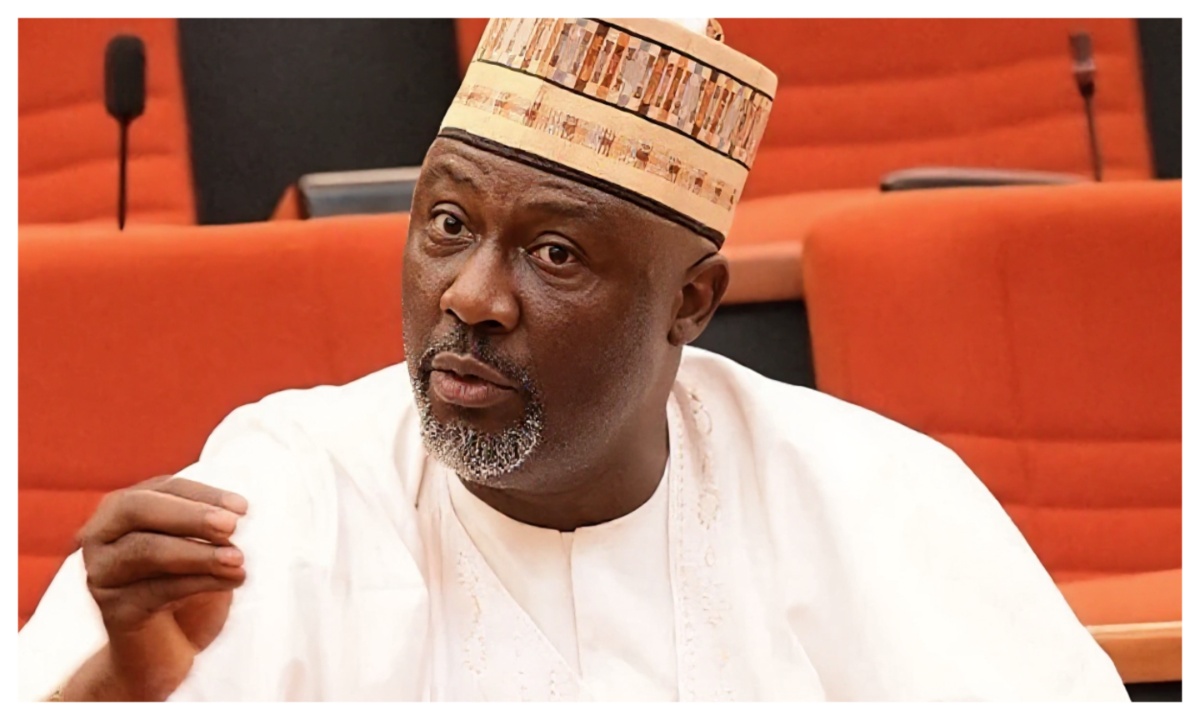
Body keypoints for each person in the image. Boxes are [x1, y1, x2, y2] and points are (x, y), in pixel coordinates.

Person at [18, 18, 1128, 701]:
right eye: (448, 224)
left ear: (689, 303)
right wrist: (123, 687)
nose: (471, 296)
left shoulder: (872, 499)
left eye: (555, 253)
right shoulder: (286, 492)